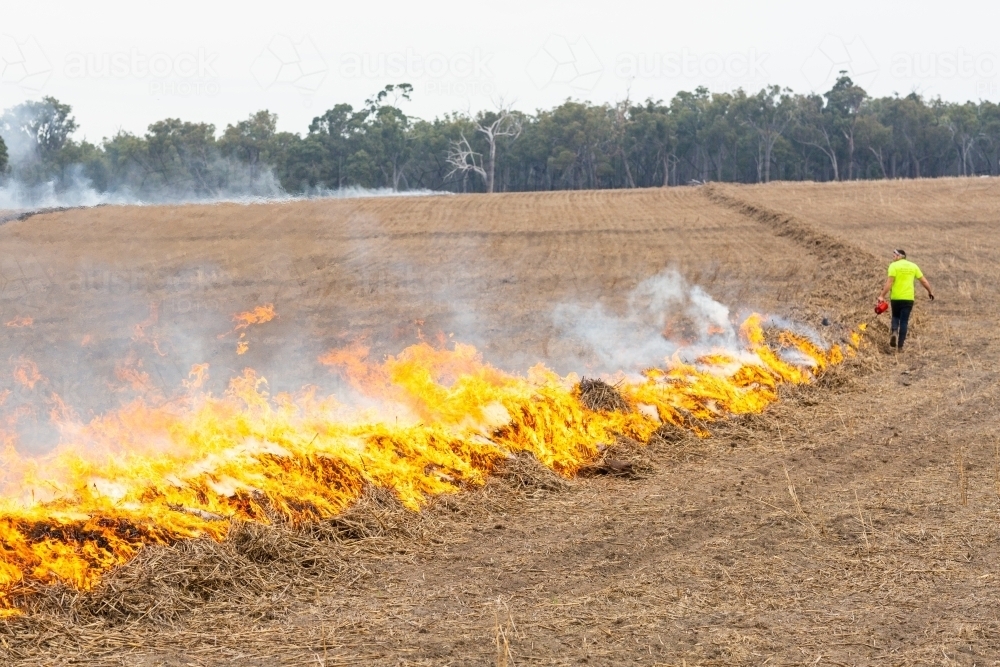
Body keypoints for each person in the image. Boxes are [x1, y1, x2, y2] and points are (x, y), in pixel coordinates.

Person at [876, 249, 934, 351]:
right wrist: (930, 291)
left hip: (896, 298)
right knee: (904, 322)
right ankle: (900, 347)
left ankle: (894, 332)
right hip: (908, 298)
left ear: (900, 256)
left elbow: (889, 283)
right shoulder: (913, 266)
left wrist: (882, 296)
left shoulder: (893, 266)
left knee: (895, 316)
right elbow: (924, 281)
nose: (893, 257)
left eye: (894, 255)